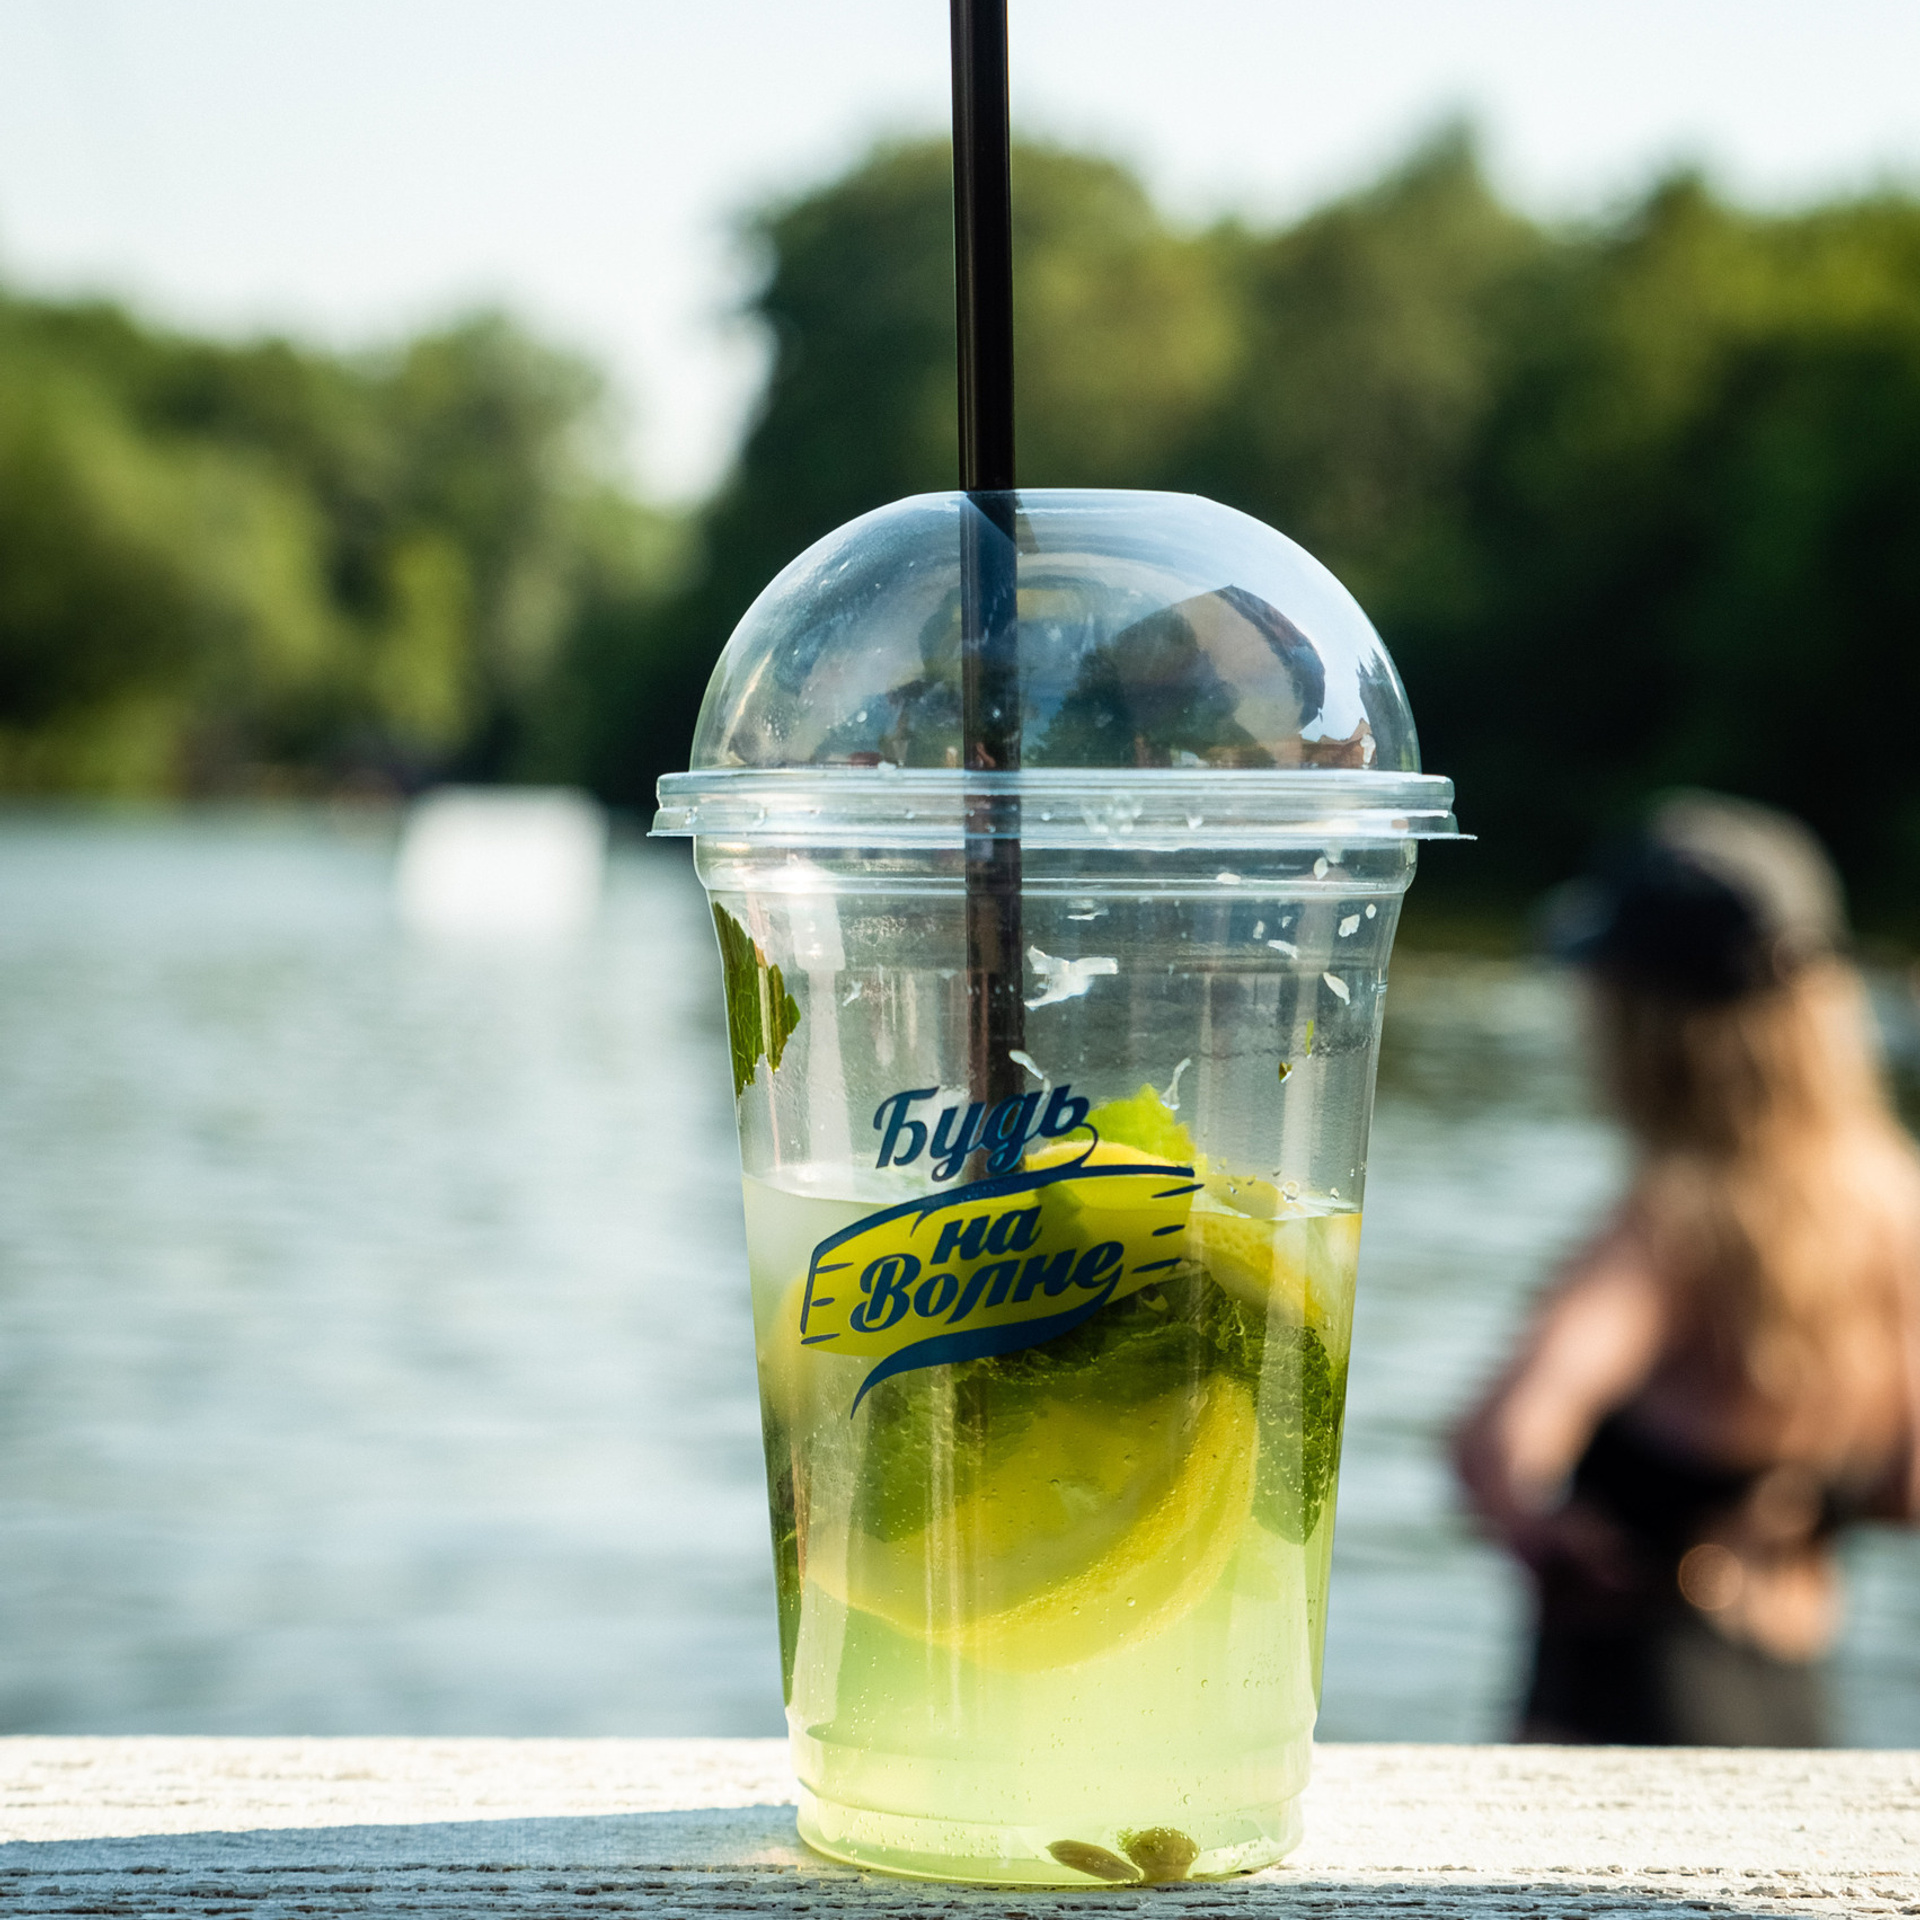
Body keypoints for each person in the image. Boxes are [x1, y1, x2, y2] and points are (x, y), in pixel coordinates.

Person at [1452, 793, 1920, 1746]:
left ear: (1639, 1020)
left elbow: (1500, 1443)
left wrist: (1546, 1536)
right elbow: (1906, 1487)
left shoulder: (1669, 1229)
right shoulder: (1893, 1206)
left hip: (1627, 1698)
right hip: (1791, 1704)